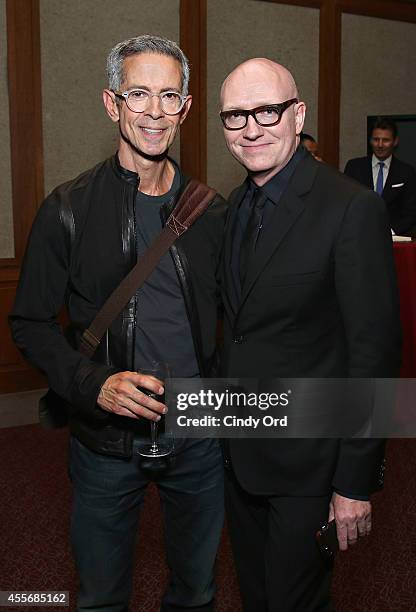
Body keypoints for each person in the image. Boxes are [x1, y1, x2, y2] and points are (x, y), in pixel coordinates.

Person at [10, 35, 226, 612]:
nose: (155, 112)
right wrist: (92, 384)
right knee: (101, 596)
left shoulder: (214, 213)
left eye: (169, 96)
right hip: (106, 443)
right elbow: (29, 321)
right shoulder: (67, 209)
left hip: (200, 438)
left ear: (184, 108)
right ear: (112, 104)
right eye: (138, 94)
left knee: (197, 592)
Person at [219, 58, 401, 611]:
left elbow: (375, 355)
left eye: (267, 110)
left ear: (297, 115)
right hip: (239, 453)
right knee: (255, 595)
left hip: (311, 465)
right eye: (235, 116)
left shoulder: (351, 208)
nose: (251, 127)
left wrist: (353, 482)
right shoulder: (233, 208)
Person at [344, 116, 416, 234]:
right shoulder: (354, 167)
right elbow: (346, 204)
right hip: (359, 236)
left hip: (394, 239)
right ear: (370, 140)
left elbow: (411, 212)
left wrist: (391, 232)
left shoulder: (406, 172)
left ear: (395, 141)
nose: (380, 145)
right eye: (376, 139)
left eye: (386, 140)